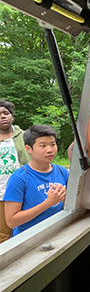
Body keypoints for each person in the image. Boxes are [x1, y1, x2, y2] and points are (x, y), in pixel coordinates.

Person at [4, 125, 68, 237]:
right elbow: (11, 221)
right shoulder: (19, 178)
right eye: (43, 146)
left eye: (53, 144)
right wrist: (48, 203)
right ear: (28, 149)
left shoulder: (62, 171)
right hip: (29, 239)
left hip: (57, 232)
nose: (50, 150)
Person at [0, 100, 31, 242]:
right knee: (3, 235)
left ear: (12, 116)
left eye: (6, 113)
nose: (2, 116)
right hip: (1, 195)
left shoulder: (26, 137)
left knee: (26, 231)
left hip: (24, 193)